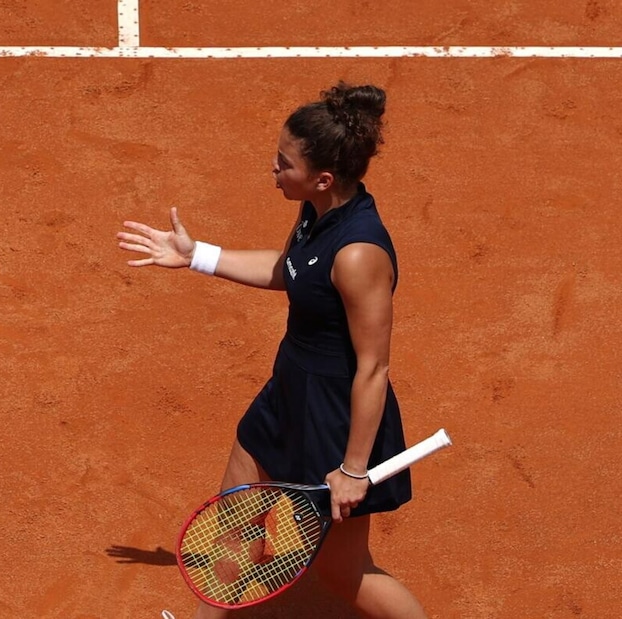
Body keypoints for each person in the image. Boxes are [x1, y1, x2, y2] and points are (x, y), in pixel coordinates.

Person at [117, 82, 426, 619]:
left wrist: (354, 468)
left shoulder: (358, 253)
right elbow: (288, 270)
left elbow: (373, 368)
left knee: (342, 572)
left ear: (322, 177)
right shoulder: (316, 211)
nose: (273, 169)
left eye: (284, 163)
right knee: (234, 518)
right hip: (287, 393)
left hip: (336, 419)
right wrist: (197, 257)